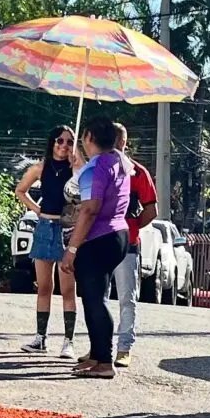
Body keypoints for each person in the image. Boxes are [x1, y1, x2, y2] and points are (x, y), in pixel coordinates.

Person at [62, 117, 132, 379]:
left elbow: (90, 210)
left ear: (89, 137)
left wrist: (72, 249)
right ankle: (96, 354)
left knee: (95, 300)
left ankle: (104, 361)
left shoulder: (97, 166)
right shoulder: (118, 161)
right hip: (118, 234)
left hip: (98, 238)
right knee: (94, 297)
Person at [12, 126, 79, 357]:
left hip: (66, 228)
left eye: (69, 142)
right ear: (52, 142)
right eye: (60, 140)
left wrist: (76, 158)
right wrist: (37, 209)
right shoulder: (40, 168)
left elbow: (85, 184)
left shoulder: (75, 169)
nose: (64, 145)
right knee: (44, 287)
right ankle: (40, 337)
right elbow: (20, 190)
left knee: (68, 289)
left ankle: (68, 341)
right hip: (44, 227)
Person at [107, 132, 159, 366]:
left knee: (127, 298)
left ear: (123, 142)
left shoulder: (138, 173)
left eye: (113, 139)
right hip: (100, 242)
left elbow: (151, 210)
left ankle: (124, 348)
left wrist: (133, 226)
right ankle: (99, 347)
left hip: (127, 244)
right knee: (97, 299)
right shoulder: (99, 170)